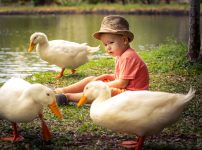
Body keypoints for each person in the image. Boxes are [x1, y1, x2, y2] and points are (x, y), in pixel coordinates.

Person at [55, 15, 149, 106]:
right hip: (126, 90)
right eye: (105, 44)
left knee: (103, 90)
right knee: (91, 79)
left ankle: (67, 97)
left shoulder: (128, 57)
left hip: (133, 95)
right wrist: (107, 76)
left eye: (111, 43)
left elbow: (122, 83)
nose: (108, 48)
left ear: (124, 40)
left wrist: (101, 86)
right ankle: (61, 90)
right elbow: (123, 77)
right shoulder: (121, 55)